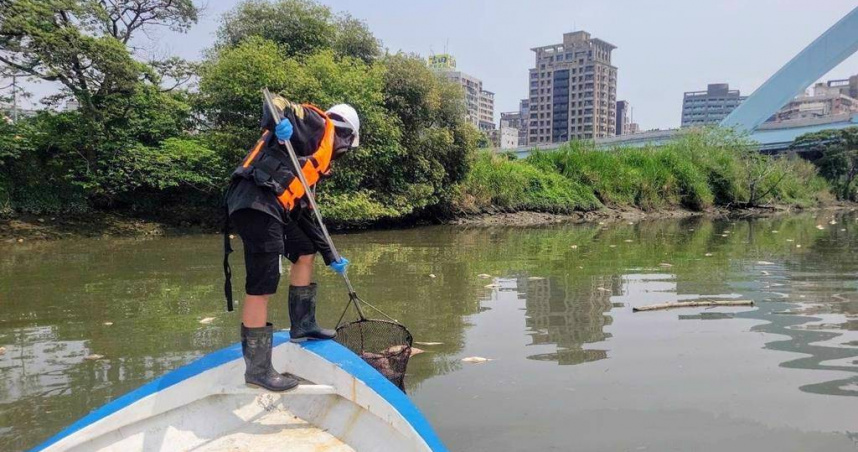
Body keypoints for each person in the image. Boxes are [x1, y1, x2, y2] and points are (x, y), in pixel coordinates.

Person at [225, 95, 360, 391]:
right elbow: (275, 101)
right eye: (347, 147)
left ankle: (303, 325)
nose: (343, 153)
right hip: (255, 202)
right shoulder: (315, 123)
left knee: (304, 250)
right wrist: (277, 123)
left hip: (273, 206)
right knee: (262, 283)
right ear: (347, 135)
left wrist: (330, 255)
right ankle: (257, 371)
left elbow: (304, 216)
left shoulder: (310, 162)